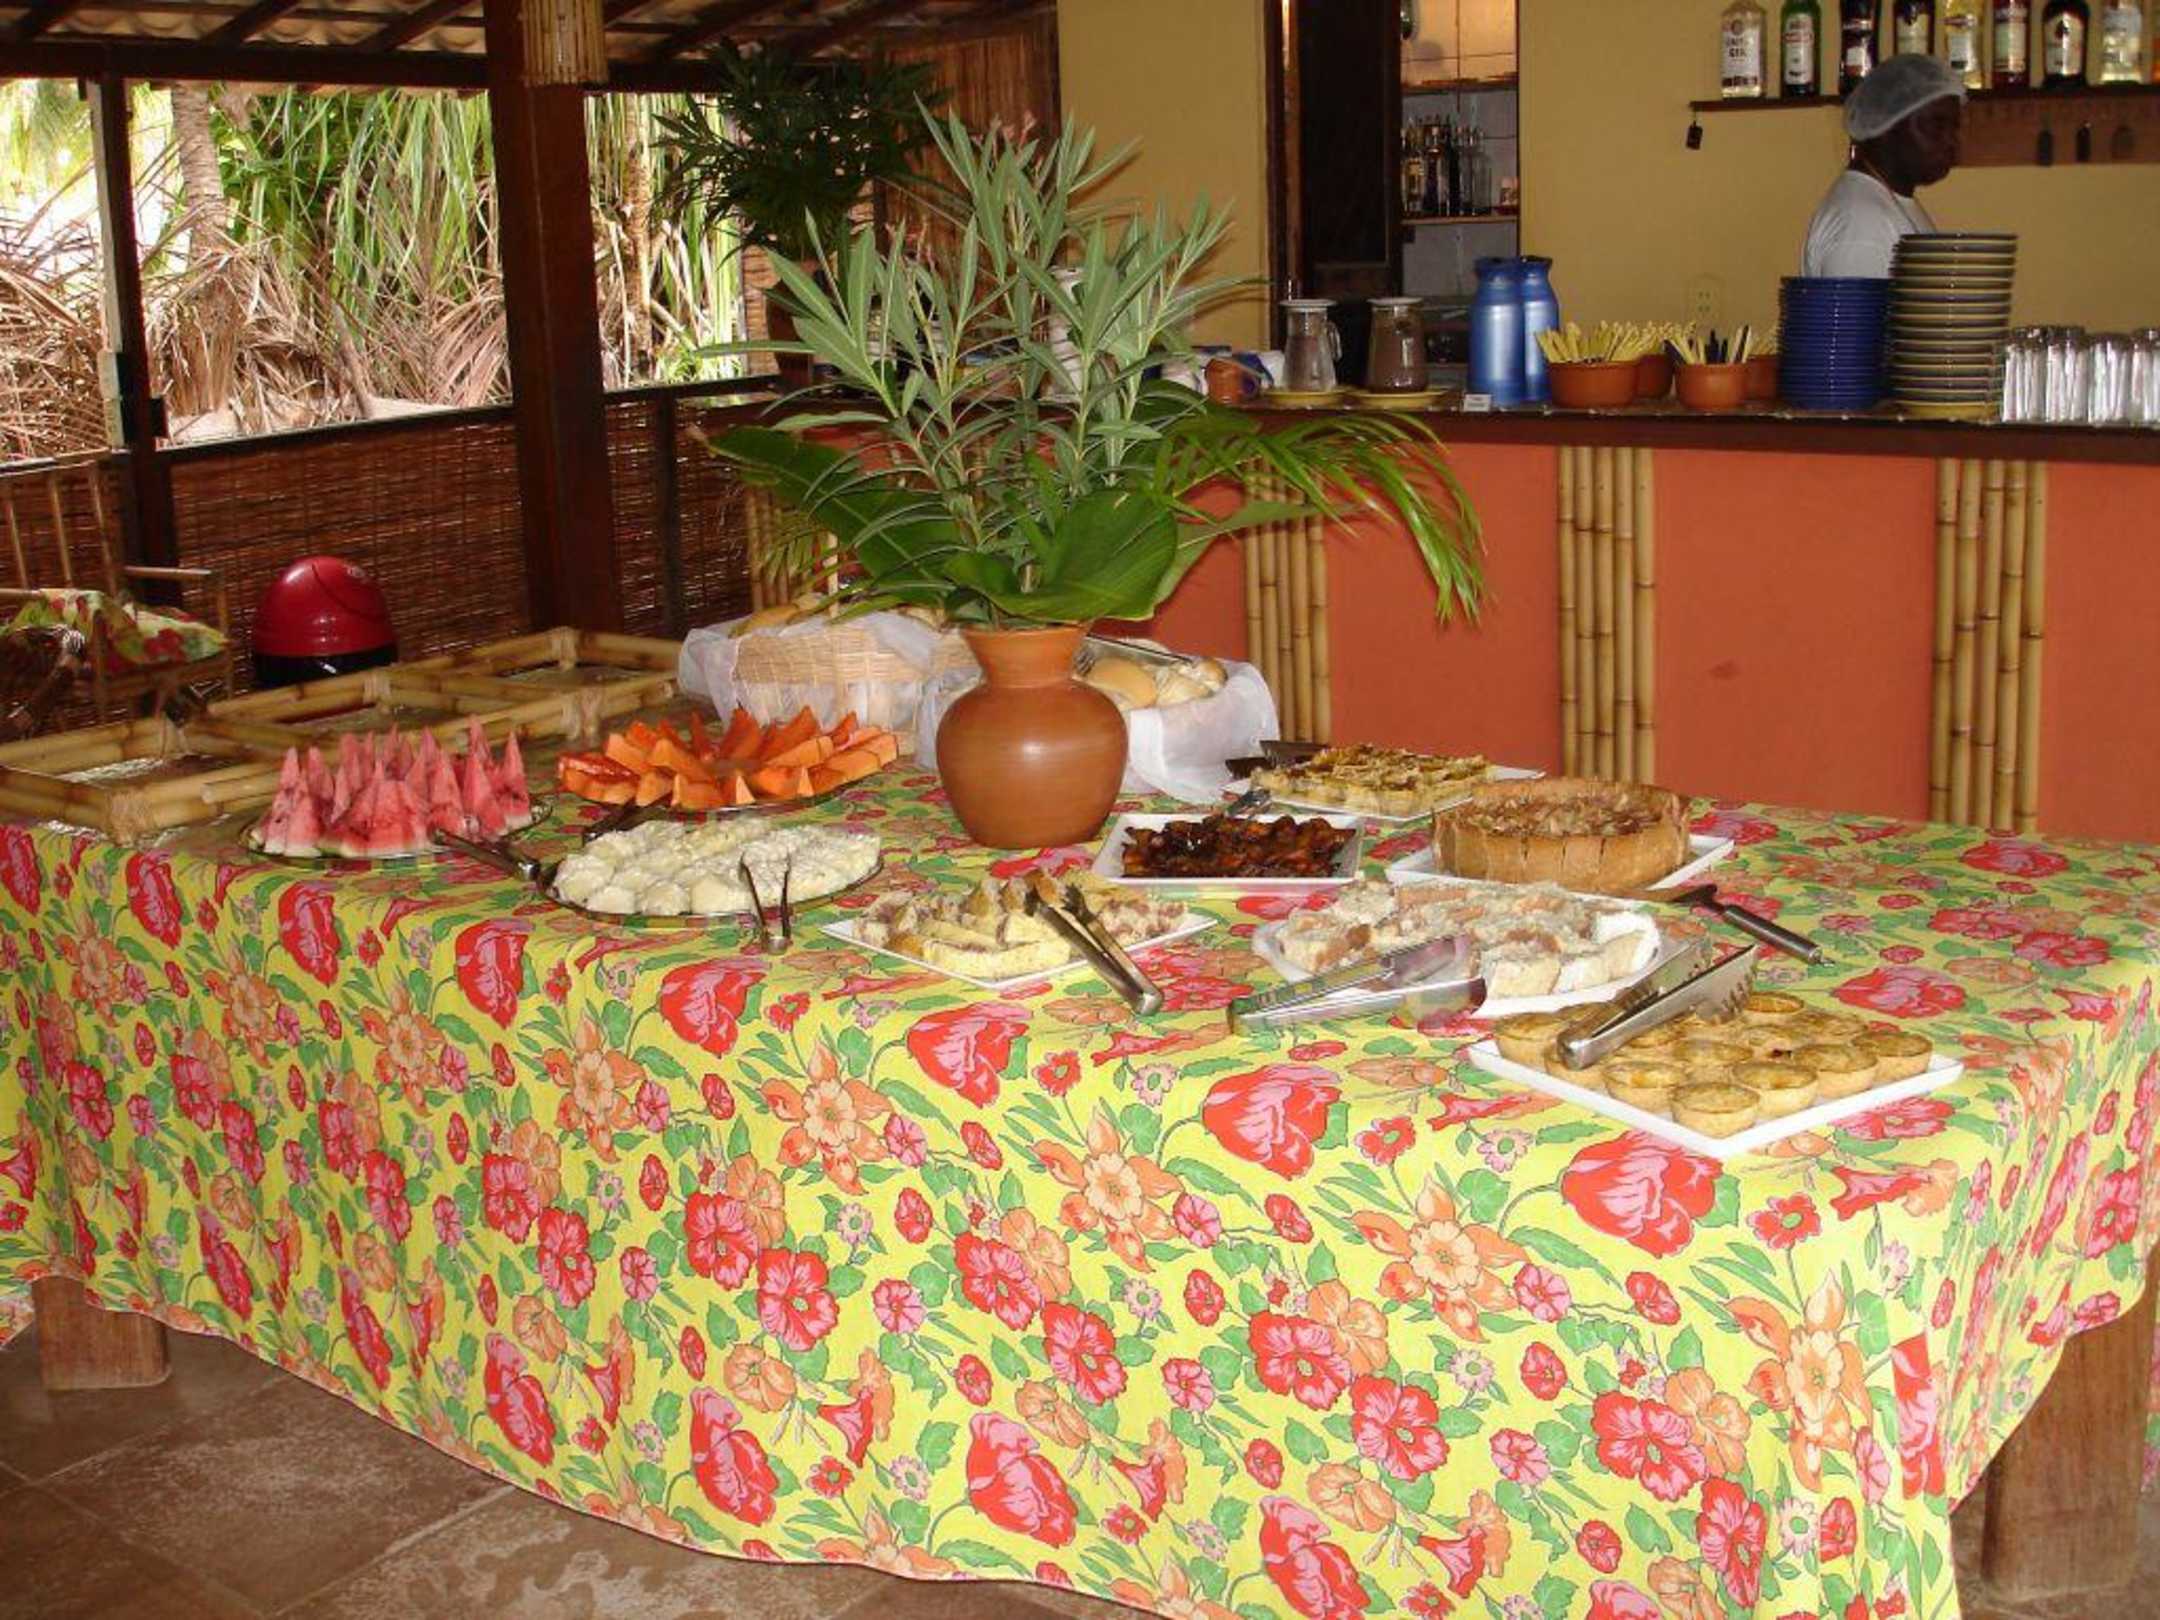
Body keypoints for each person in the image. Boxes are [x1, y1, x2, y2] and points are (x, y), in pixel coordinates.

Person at [1801, 55, 1966, 278]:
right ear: (1888, 124)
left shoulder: (1887, 204)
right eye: (1936, 126)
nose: (1952, 141)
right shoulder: (1862, 228)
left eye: (1954, 127)